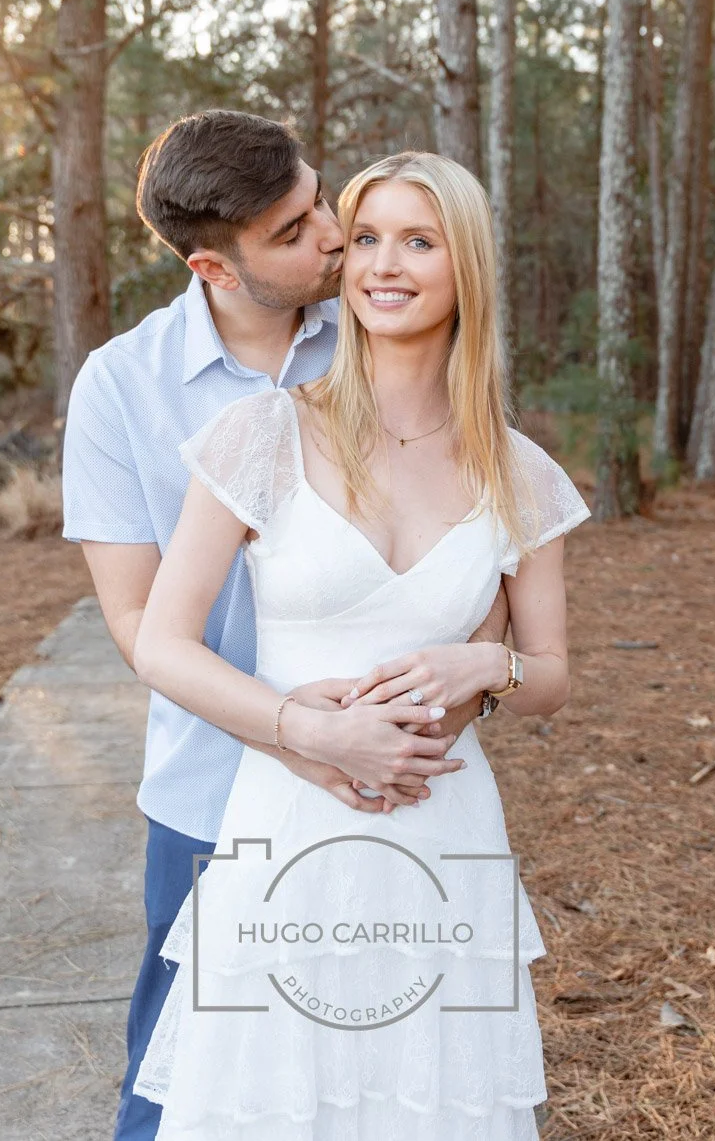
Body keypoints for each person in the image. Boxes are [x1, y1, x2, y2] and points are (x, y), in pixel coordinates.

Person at [129, 151, 591, 1138]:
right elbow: (163, 644)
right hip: (286, 825)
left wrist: (488, 664)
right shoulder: (261, 434)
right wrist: (307, 731)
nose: (382, 263)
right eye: (367, 237)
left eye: (418, 241)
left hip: (442, 828)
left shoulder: (522, 473)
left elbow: (549, 673)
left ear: (466, 265)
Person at [62, 113, 502, 1141]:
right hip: (211, 796)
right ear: (216, 264)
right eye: (298, 228)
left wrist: (454, 695)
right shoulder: (122, 388)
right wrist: (294, 732)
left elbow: (476, 537)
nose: (337, 239)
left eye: (323, 202)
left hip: (391, 795)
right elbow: (137, 624)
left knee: (374, 1077)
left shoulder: (381, 324)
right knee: (181, 1096)